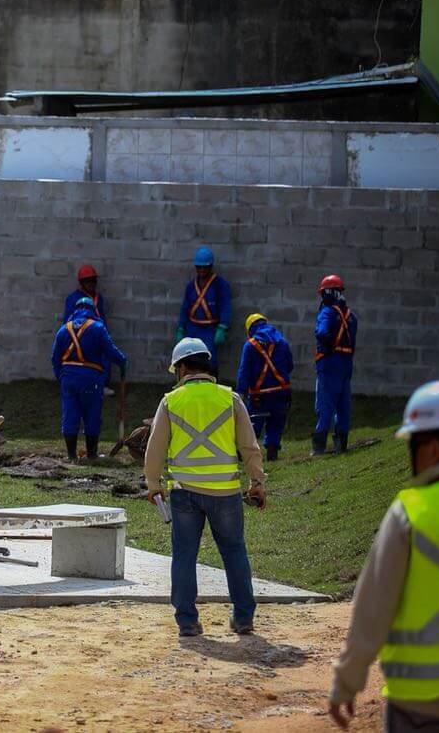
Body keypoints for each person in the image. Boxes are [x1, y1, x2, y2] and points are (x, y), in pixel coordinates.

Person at [328, 380, 439, 731]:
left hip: (418, 706)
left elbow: (372, 609)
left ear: (433, 450)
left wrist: (347, 681)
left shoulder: (409, 512)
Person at [145, 337, 267, 637]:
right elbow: (249, 446)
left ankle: (187, 621)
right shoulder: (230, 399)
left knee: (184, 555)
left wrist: (152, 483)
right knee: (235, 552)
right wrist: (256, 482)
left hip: (185, 492)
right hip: (226, 493)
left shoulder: (171, 401)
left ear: (182, 367)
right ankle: (243, 618)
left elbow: (155, 447)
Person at [50, 296, 127, 460]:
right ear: (93, 310)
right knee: (92, 415)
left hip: (68, 379)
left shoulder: (64, 329)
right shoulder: (98, 328)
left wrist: (61, 377)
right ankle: (92, 454)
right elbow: (110, 350)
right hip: (91, 379)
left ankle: (71, 455)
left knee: (70, 414)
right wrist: (122, 361)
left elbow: (55, 358)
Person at [235, 313, 294, 462]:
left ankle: (244, 454)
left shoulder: (250, 345)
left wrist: (240, 392)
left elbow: (244, 371)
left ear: (250, 329)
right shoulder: (282, 342)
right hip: (281, 392)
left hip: (258, 396)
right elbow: (290, 365)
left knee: (252, 424)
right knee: (277, 421)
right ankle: (272, 451)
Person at [314, 274, 358, 457]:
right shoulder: (352, 316)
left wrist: (324, 340)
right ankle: (342, 443)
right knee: (343, 404)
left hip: (329, 362)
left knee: (325, 404)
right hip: (346, 363)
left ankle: (319, 447)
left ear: (328, 293)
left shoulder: (327, 313)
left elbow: (322, 333)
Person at [176, 246, 231, 373]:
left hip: (210, 329)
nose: (201, 270)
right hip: (192, 328)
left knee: (209, 360)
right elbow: (185, 307)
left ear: (210, 267)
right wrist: (181, 328)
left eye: (204, 267)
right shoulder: (191, 286)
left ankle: (211, 386)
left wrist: (223, 327)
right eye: (198, 267)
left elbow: (225, 306)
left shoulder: (220, 285)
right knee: (189, 359)